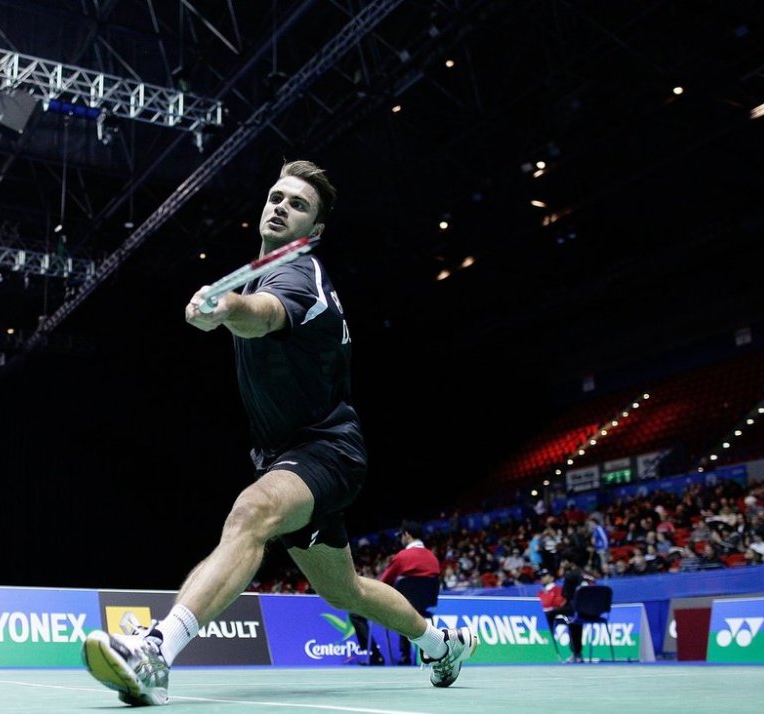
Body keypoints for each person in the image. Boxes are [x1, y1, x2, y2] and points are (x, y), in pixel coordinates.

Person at [81, 159, 478, 706]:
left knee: (250, 514)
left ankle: (155, 652)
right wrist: (233, 306)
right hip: (287, 455)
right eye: (276, 197)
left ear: (313, 231)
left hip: (327, 450)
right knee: (343, 590)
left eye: (297, 204)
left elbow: (263, 315)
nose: (280, 207)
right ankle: (441, 644)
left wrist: (228, 310)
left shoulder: (298, 274)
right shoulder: (265, 271)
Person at [377, 519, 442, 665]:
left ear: (407, 535)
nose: (401, 538)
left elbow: (383, 583)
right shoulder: (433, 558)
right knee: (407, 607)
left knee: (357, 615)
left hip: (403, 610)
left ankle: (377, 655)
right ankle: (433, 650)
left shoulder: (402, 557)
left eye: (401, 535)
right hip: (425, 607)